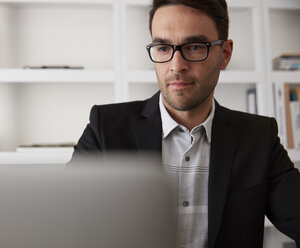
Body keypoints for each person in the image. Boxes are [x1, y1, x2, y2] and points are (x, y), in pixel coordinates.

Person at [69, 0, 300, 247]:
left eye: (194, 47)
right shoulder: (105, 128)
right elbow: (63, 223)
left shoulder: (259, 138)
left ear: (225, 54)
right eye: (162, 47)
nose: (176, 66)